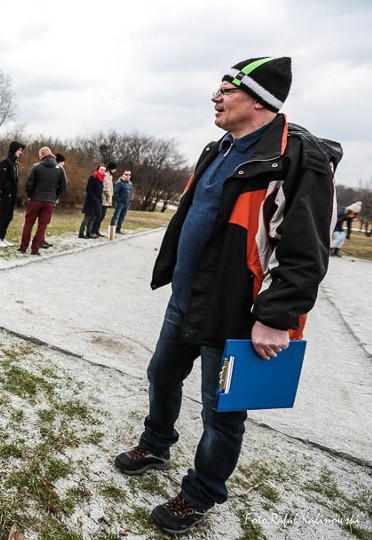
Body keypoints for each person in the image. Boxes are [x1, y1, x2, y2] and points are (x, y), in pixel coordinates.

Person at [113, 57, 341, 535]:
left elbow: (307, 251)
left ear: (258, 100)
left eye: (225, 91)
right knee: (161, 374)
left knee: (221, 414)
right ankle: (156, 444)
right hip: (187, 297)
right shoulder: (218, 147)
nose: (214, 98)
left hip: (236, 311)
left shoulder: (301, 157)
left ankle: (200, 493)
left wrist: (276, 317)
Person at [18, 146, 67, 255]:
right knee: (42, 226)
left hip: (35, 199)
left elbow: (28, 183)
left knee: (29, 223)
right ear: (50, 154)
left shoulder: (36, 167)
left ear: (41, 155)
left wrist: (30, 195)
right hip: (50, 201)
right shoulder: (60, 169)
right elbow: (64, 186)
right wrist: (55, 196)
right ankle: (35, 249)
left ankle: (23, 247)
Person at [0, 141, 25, 247]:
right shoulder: (5, 162)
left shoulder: (15, 164)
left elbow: (15, 180)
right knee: (3, 216)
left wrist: (15, 193)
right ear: (14, 150)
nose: (20, 152)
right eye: (19, 150)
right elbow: (3, 180)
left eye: (21, 150)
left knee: (9, 216)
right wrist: (8, 192)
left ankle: (2, 237)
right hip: (6, 194)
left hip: (13, 195)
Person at [79, 164, 106, 239]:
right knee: (87, 217)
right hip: (90, 201)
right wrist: (93, 198)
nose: (102, 171)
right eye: (101, 169)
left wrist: (99, 201)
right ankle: (81, 233)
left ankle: (89, 232)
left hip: (98, 202)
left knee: (93, 218)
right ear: (97, 170)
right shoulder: (92, 177)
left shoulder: (101, 180)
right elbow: (88, 190)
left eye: (104, 170)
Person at [94, 161, 116, 237]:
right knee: (100, 216)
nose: (115, 171)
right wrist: (110, 196)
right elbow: (106, 187)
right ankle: (94, 230)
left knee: (102, 216)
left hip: (106, 199)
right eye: (114, 169)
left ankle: (97, 230)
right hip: (104, 198)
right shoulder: (106, 175)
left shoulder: (110, 176)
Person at [110, 170, 134, 234]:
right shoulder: (119, 183)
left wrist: (130, 199)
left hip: (127, 203)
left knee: (122, 217)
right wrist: (119, 200)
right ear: (123, 174)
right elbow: (115, 193)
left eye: (129, 175)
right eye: (126, 174)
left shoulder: (130, 183)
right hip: (120, 203)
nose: (128, 176)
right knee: (116, 216)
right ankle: (111, 230)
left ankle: (118, 229)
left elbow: (131, 192)